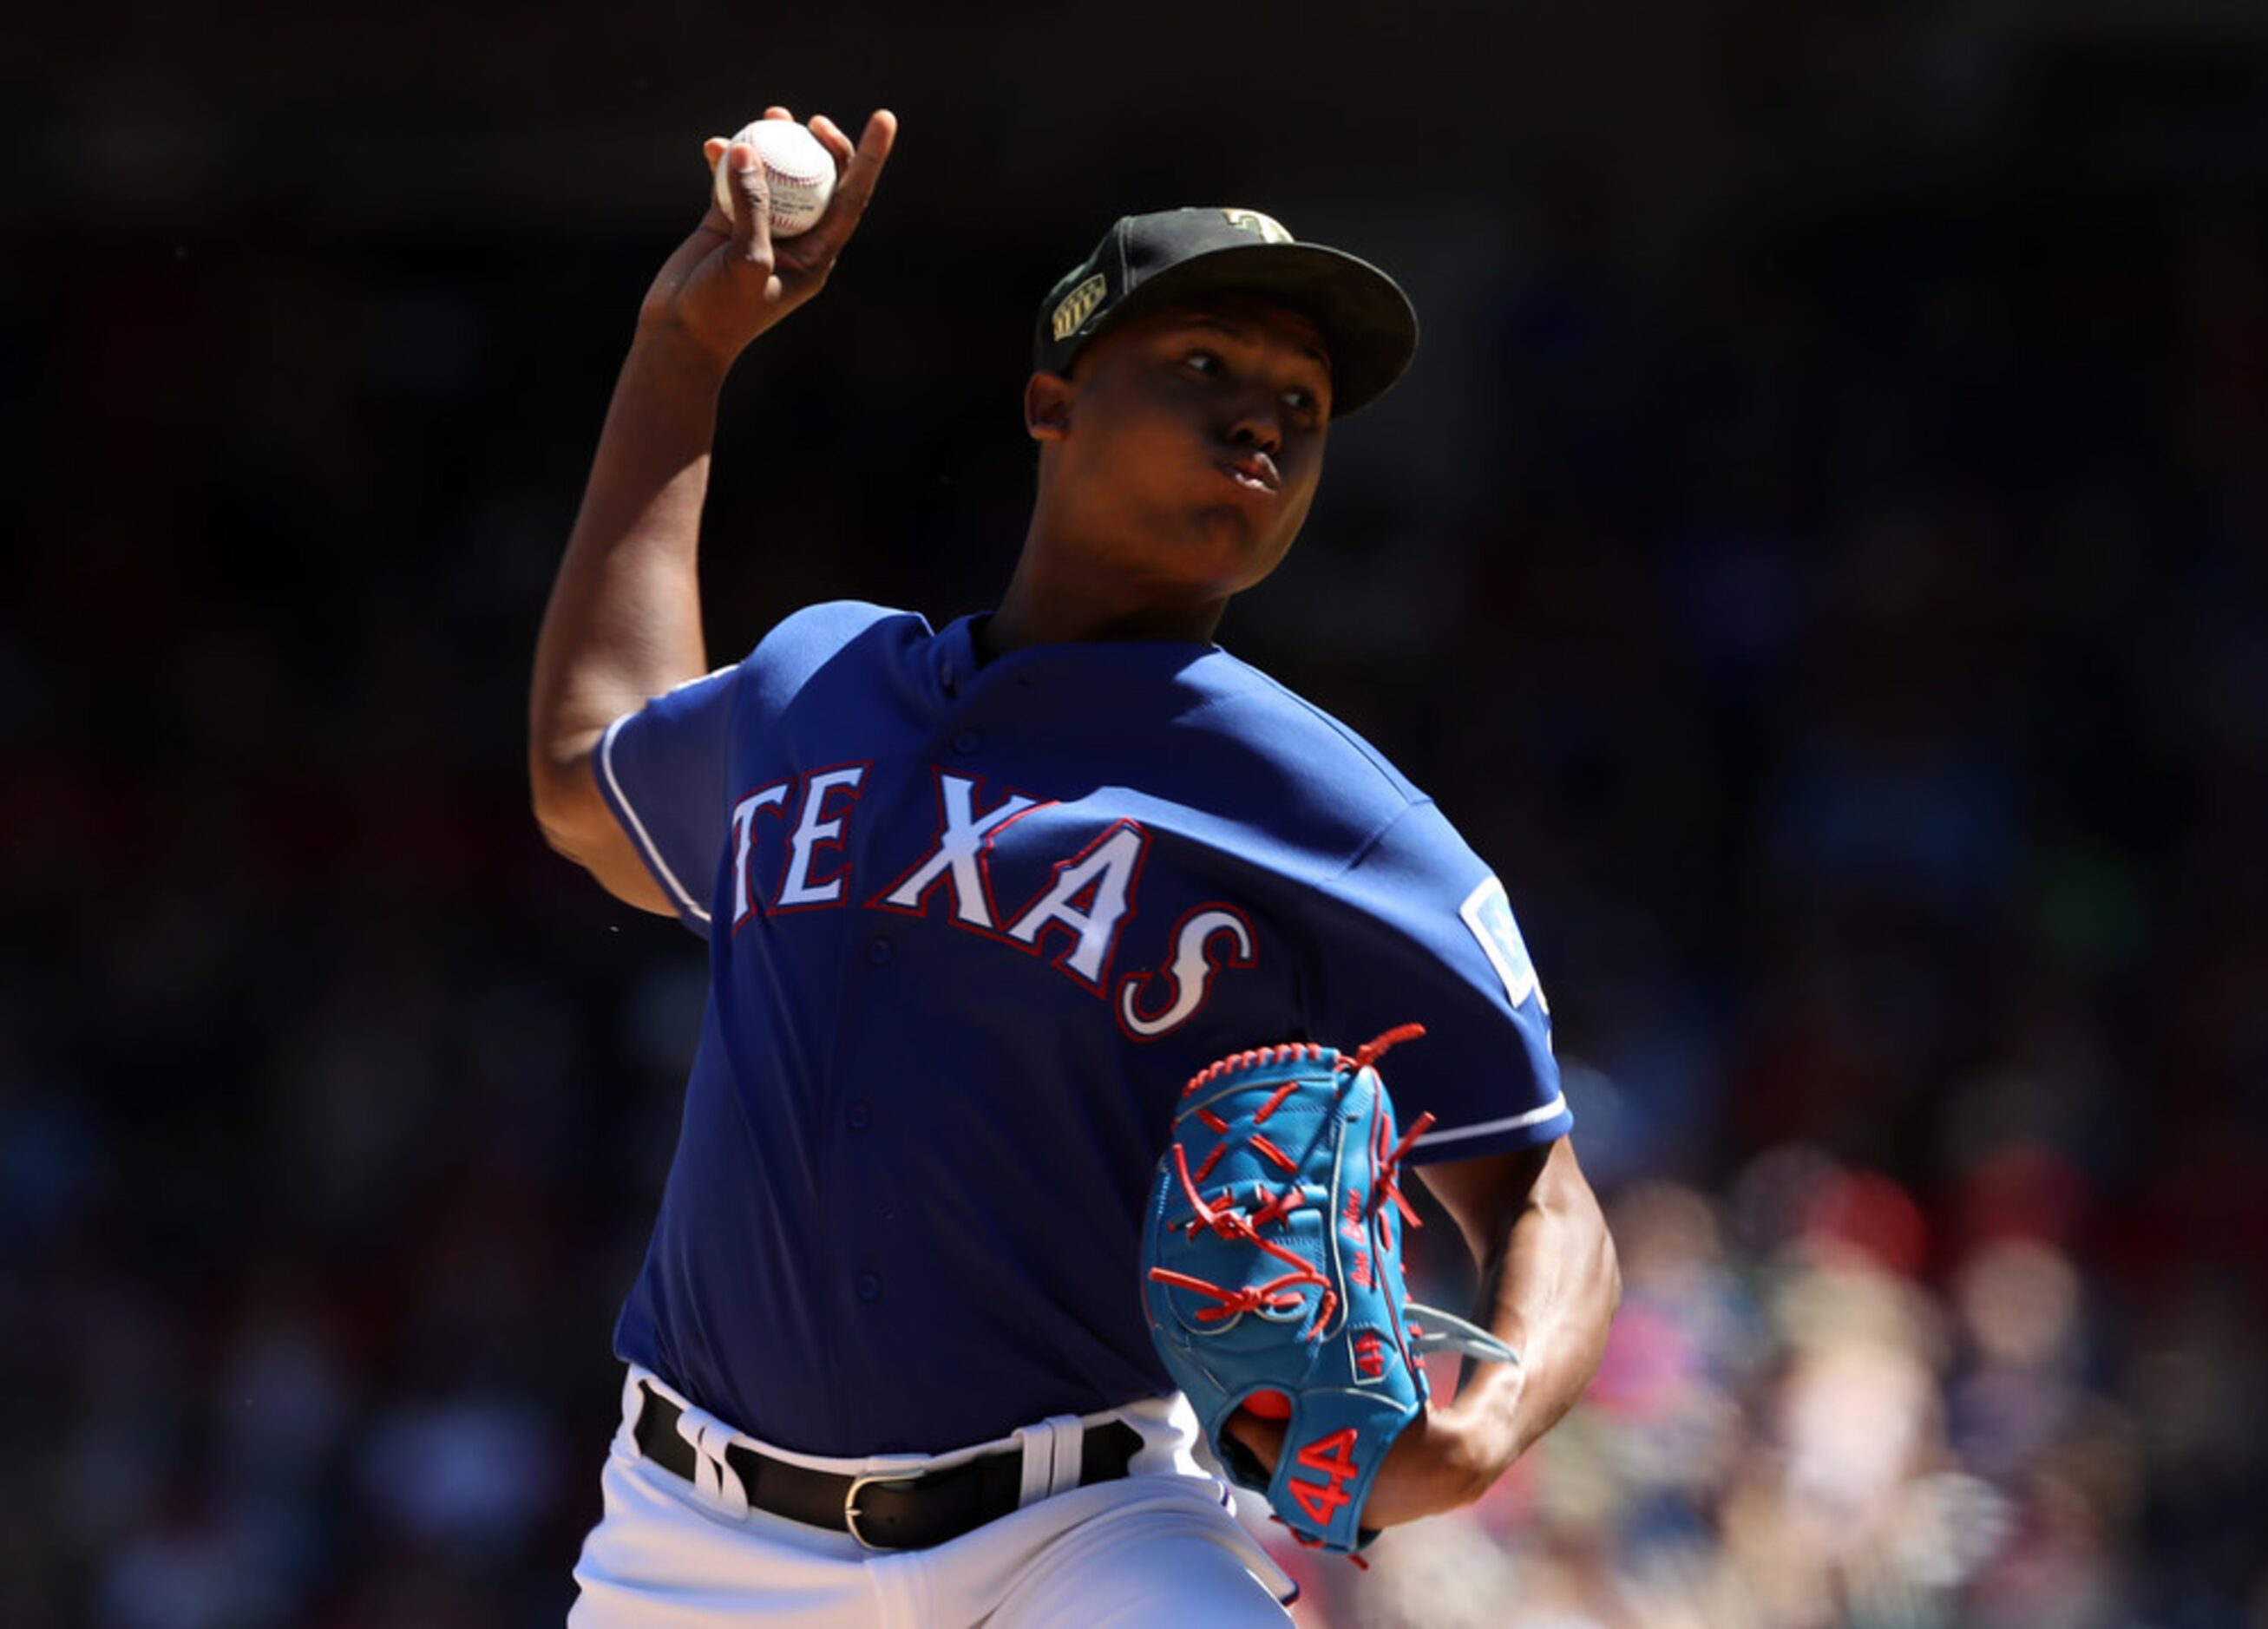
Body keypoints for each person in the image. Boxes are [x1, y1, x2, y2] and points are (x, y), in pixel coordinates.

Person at [528, 104, 1620, 1626]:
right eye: (1204, 371)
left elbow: (1539, 1191)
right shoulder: (819, 686)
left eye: (1302, 402)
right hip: (693, 1543)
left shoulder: (1321, 805)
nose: (1264, 421)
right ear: (1049, 403)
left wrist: (1483, 1420)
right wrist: (682, 356)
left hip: (1084, 1534)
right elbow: (590, 781)